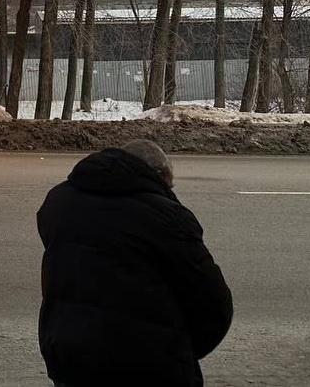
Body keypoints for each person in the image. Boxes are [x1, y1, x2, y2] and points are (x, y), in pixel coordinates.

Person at [36, 140, 233, 387]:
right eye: (168, 185)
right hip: (146, 365)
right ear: (157, 175)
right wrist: (181, 349)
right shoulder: (168, 217)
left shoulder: (58, 201)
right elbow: (213, 304)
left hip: (70, 356)